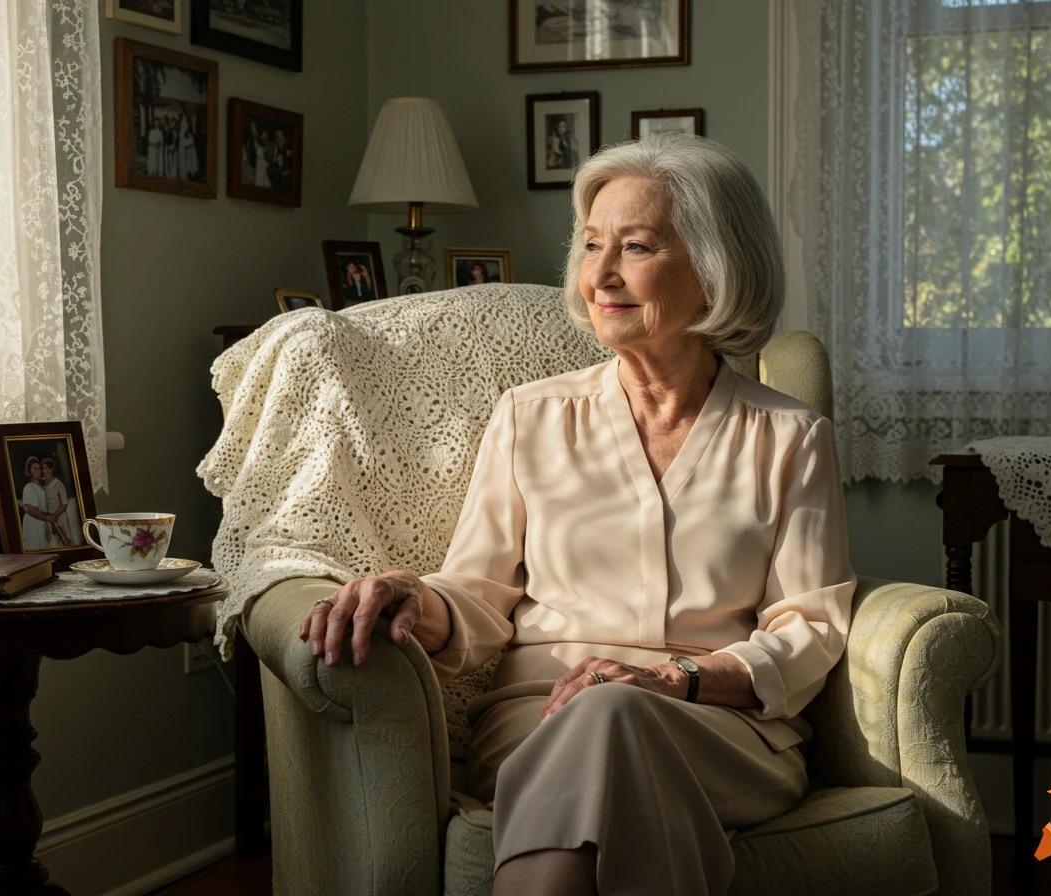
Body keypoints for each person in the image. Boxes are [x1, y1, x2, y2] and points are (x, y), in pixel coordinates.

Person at [297, 134, 856, 896]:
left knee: (616, 715)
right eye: (591, 245)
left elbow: (809, 628)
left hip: (721, 731)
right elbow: (478, 595)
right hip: (540, 719)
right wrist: (414, 596)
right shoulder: (531, 417)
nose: (599, 274)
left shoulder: (791, 437)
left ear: (714, 268)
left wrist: (672, 679)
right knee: (598, 719)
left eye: (635, 246)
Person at [40, 458, 76, 548]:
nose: (43, 471)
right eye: (42, 468)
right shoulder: (42, 483)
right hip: (49, 519)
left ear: (50, 469)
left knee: (65, 540)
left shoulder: (58, 484)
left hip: (60, 517)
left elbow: (64, 504)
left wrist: (55, 515)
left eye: (44, 468)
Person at [20, 457, 52, 551]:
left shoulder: (41, 488)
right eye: (34, 468)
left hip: (41, 521)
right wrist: (45, 517)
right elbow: (29, 508)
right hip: (33, 522)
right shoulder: (29, 487)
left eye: (39, 468)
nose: (38, 471)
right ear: (29, 471)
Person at [180, 113, 198, 181]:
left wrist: (189, 143)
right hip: (187, 153)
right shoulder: (184, 135)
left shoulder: (191, 134)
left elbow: (192, 142)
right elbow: (184, 144)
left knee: (193, 166)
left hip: (191, 152)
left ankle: (193, 176)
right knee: (187, 167)